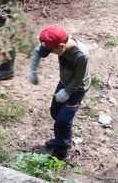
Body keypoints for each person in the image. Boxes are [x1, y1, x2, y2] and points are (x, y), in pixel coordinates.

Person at [27, 24, 91, 160]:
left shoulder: (81, 56)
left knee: (63, 120)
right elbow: (38, 51)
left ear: (61, 46)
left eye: (52, 51)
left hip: (77, 88)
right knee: (55, 112)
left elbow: (79, 78)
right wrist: (33, 70)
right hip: (64, 82)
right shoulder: (56, 44)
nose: (50, 54)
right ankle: (62, 137)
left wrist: (67, 92)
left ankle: (62, 151)